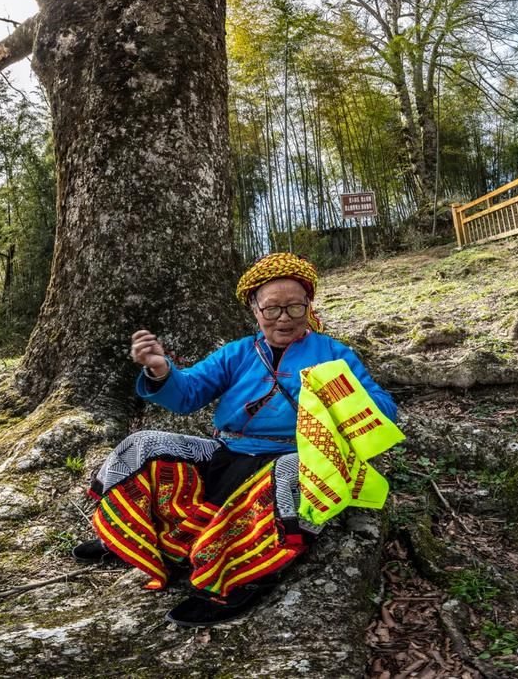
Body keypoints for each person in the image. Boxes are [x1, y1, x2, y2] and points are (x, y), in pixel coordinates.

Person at [72, 252, 397, 627]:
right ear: (254, 310)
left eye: (295, 307)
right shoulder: (239, 352)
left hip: (295, 457)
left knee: (290, 474)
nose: (284, 319)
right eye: (272, 309)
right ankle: (128, 537)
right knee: (144, 444)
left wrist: (340, 391)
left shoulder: (333, 353)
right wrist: (161, 370)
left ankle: (240, 578)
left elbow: (384, 410)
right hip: (229, 451)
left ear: (309, 305)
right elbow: (189, 392)